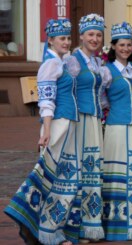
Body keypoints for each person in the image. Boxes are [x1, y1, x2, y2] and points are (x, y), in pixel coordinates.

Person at [4, 19, 78, 245]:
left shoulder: (64, 63)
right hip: (57, 124)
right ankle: (44, 230)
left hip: (68, 123)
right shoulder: (50, 65)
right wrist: (46, 130)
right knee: (52, 177)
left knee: (64, 178)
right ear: (51, 40)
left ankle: (52, 230)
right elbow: (46, 100)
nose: (66, 42)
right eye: (61, 38)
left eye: (67, 38)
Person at [101, 22, 132, 241]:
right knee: (119, 172)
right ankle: (117, 223)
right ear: (114, 47)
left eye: (128, 45)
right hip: (118, 127)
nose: (125, 48)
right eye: (121, 45)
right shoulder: (107, 71)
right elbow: (100, 98)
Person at [66, 13, 105, 242]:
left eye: (99, 35)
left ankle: (90, 225)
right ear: (81, 36)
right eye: (91, 34)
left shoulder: (98, 63)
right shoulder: (73, 61)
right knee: (78, 169)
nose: (95, 39)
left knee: (92, 171)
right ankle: (74, 226)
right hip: (78, 119)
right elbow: (64, 89)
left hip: (93, 120)